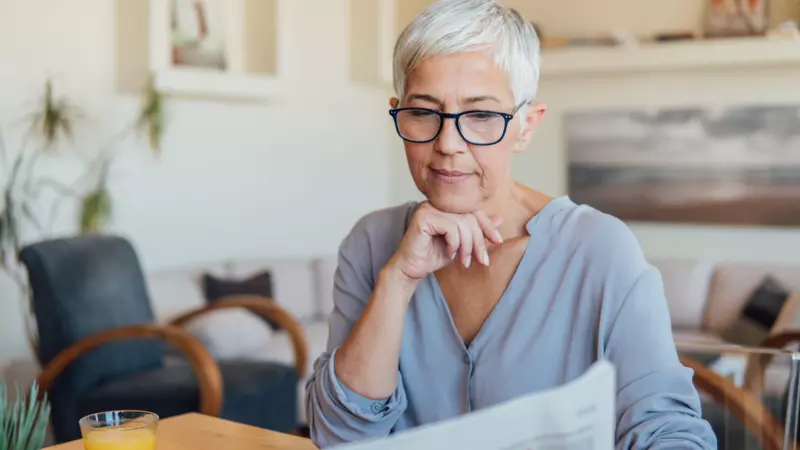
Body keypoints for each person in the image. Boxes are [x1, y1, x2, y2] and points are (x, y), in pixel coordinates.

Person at [305, 0, 717, 448]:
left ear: (525, 126)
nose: (448, 144)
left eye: (481, 115)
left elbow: (669, 432)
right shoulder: (371, 243)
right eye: (424, 112)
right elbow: (337, 435)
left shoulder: (599, 249)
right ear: (398, 113)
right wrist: (399, 280)